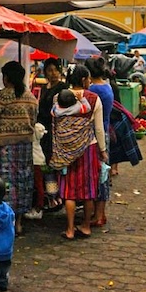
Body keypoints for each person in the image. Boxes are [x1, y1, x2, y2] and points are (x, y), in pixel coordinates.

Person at [0, 61, 38, 238]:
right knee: (21, 183)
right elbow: (33, 121)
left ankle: (1, 225)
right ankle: (18, 223)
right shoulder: (30, 97)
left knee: (2, 185)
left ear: (6, 78)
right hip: (24, 147)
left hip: (2, 149)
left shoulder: (0, 97)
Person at [51, 69, 105, 240]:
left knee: (69, 190)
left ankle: (69, 229)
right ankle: (86, 226)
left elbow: (55, 121)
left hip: (65, 150)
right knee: (88, 189)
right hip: (87, 149)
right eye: (88, 78)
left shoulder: (58, 97)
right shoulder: (93, 99)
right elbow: (98, 128)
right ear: (83, 79)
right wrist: (103, 151)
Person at [84, 56, 113, 227]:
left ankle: (99, 214)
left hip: (97, 136)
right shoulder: (106, 86)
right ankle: (99, 213)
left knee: (99, 175)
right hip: (104, 133)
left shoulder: (94, 90)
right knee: (101, 173)